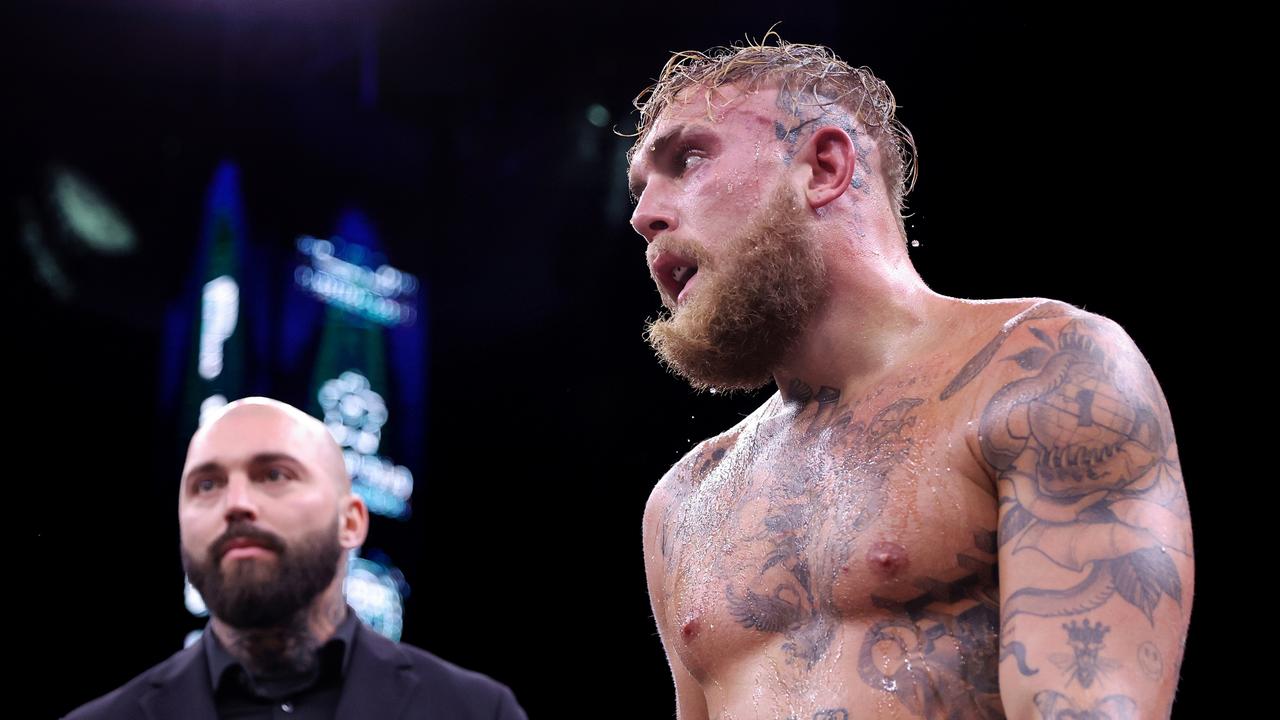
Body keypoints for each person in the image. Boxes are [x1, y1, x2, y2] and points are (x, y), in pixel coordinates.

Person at [628, 37, 1193, 720]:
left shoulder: (1041, 372)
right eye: (639, 188)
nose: (644, 215)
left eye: (687, 159)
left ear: (824, 167)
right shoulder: (684, 501)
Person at [67, 397, 526, 720]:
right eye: (206, 485)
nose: (236, 503)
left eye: (274, 474)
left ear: (351, 522)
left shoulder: (478, 711)